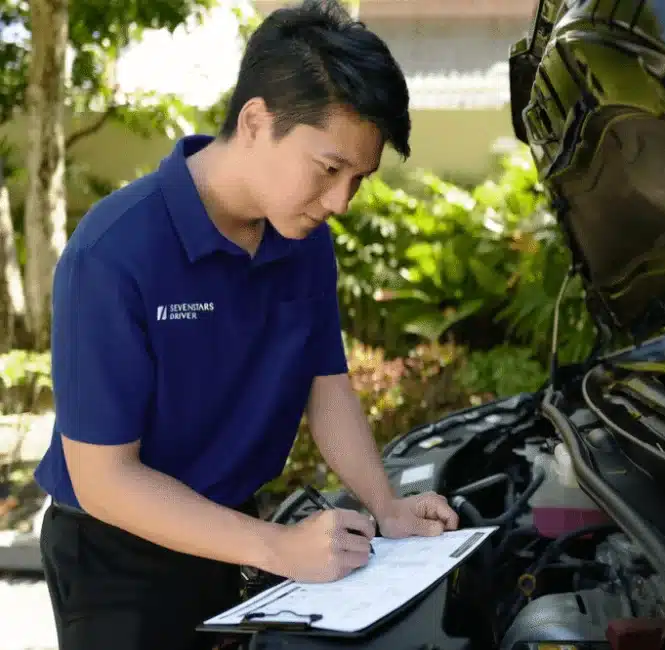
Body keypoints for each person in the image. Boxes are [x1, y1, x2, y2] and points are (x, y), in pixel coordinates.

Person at [31, 1, 459, 648]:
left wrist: (387, 506)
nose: (341, 202)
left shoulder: (303, 241)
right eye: (329, 169)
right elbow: (104, 479)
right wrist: (278, 548)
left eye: (359, 179)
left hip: (235, 531)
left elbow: (326, 386)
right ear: (256, 122)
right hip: (116, 555)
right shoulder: (113, 252)